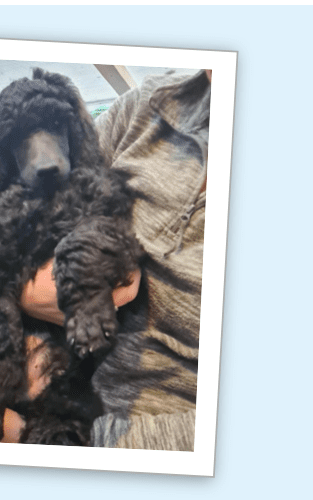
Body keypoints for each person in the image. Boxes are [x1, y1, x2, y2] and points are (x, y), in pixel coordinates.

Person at [11, 69, 212, 450]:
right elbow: (22, 215)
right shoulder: (145, 105)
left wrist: (26, 435)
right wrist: (23, 290)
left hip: (112, 440)